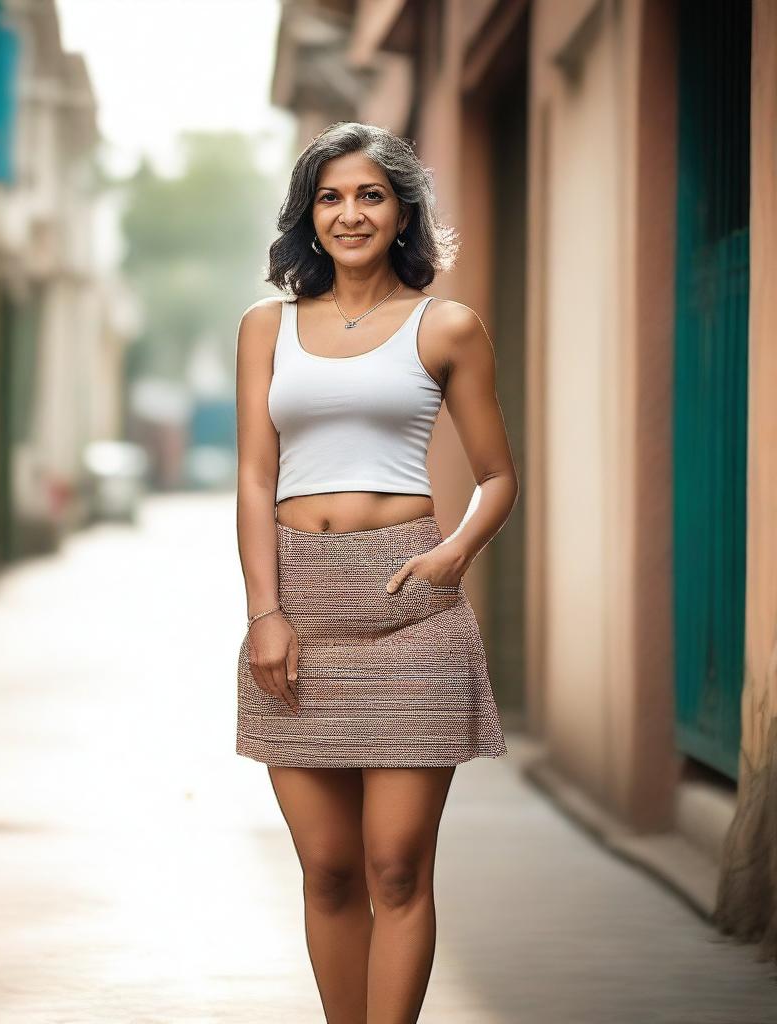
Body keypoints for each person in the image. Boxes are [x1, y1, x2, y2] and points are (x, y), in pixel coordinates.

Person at [233, 121, 518, 1022]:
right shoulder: (264, 328)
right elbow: (252, 476)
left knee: (396, 867)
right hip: (300, 616)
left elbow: (498, 476)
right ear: (306, 216)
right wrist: (264, 615)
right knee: (326, 869)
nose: (349, 213)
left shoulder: (448, 326)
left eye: (370, 195)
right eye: (330, 196)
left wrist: (453, 551)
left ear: (402, 214)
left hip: (412, 614)